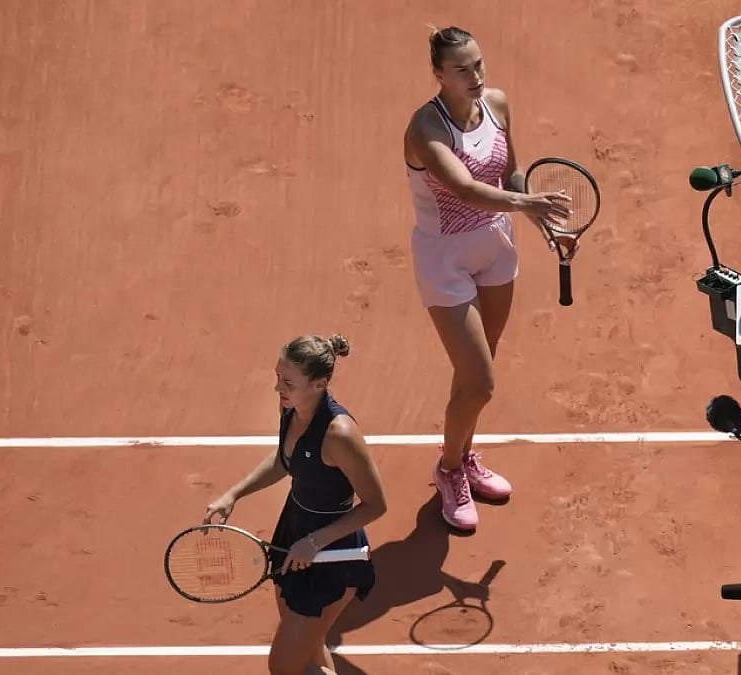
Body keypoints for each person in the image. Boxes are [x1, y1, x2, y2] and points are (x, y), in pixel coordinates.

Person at [402, 25, 573, 532]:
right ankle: (449, 468)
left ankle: (464, 455)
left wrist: (543, 221)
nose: (475, 76)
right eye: (462, 69)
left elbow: (510, 172)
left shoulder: (496, 103)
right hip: (444, 260)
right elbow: (466, 188)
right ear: (439, 75)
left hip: (495, 249)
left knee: (478, 369)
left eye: (478, 64)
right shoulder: (424, 130)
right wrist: (526, 203)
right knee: (480, 382)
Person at [202, 334, 387, 675]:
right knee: (309, 651)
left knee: (285, 665)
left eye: (287, 382)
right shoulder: (290, 407)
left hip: (332, 552)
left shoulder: (339, 435)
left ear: (319, 384)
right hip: (294, 533)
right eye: (277, 377)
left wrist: (315, 543)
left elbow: (376, 505)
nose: (278, 388)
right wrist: (234, 494)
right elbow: (284, 460)